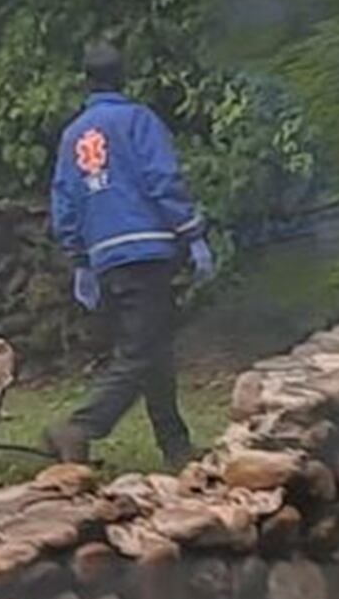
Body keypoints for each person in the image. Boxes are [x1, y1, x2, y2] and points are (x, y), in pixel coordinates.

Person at [43, 37, 214, 467]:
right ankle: (80, 426)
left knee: (151, 348)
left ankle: (175, 447)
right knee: (141, 353)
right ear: (123, 77)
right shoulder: (138, 120)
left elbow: (65, 202)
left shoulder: (72, 136)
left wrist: (79, 259)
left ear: (86, 82)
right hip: (147, 249)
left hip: (106, 257)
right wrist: (191, 232)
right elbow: (161, 179)